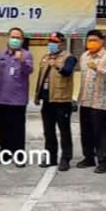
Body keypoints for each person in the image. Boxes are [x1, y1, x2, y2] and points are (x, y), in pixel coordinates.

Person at [34, 32, 77, 171]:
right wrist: (37, 95)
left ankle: (65, 158)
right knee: (48, 131)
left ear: (62, 43)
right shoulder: (46, 57)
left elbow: (67, 72)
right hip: (47, 100)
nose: (51, 43)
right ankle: (50, 157)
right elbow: (41, 78)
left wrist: (56, 66)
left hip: (61, 100)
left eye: (55, 41)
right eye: (50, 40)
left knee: (64, 131)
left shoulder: (69, 57)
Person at [0, 27, 33, 166]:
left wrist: (21, 61)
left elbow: (29, 71)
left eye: (18, 37)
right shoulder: (1, 55)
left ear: (22, 40)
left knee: (17, 129)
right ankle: (5, 154)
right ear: (8, 38)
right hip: (2, 98)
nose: (15, 40)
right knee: (2, 128)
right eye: (13, 37)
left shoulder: (26, 55)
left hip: (18, 99)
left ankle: (19, 155)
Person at [77, 29, 106, 173]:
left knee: (102, 133)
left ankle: (104, 161)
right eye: (89, 41)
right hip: (86, 100)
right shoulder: (84, 56)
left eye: (94, 40)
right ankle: (88, 157)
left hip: (101, 102)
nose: (91, 43)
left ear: (102, 41)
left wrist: (98, 67)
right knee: (86, 131)